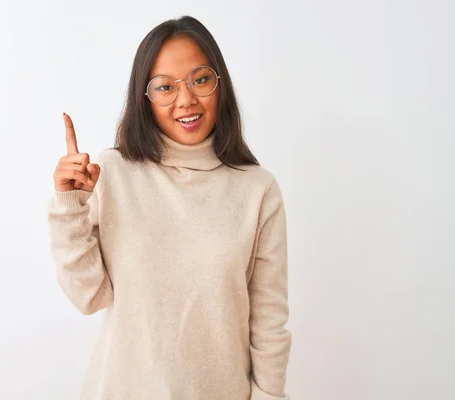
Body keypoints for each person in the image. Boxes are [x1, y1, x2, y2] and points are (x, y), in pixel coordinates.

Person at [48, 15, 291, 400]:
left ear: (219, 84)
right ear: (144, 99)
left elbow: (269, 321)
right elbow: (87, 296)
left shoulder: (257, 190)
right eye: (165, 87)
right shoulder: (112, 172)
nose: (186, 99)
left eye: (200, 79)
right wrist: (69, 204)